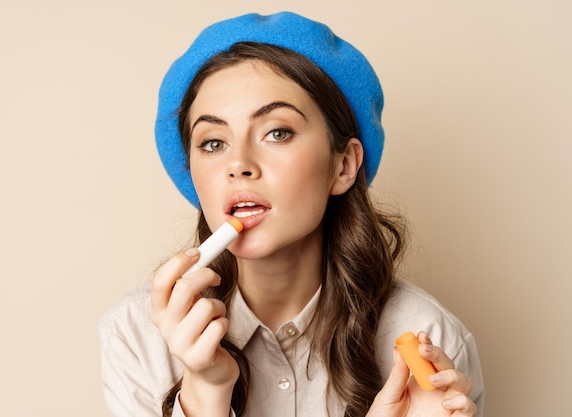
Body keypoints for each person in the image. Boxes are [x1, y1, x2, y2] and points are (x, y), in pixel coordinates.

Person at [99, 11, 484, 417]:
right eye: (213, 143)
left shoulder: (428, 339)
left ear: (343, 166)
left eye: (276, 132)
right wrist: (204, 390)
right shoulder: (135, 336)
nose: (238, 164)